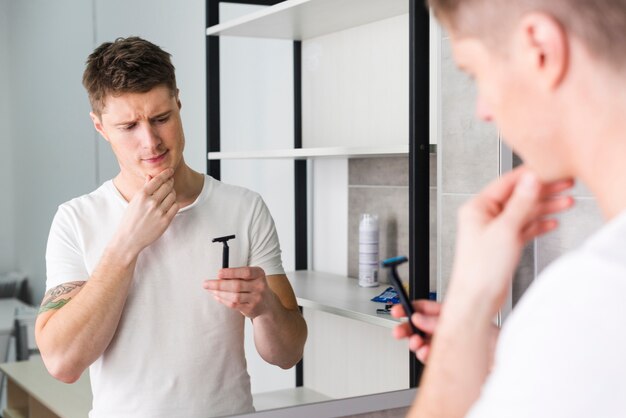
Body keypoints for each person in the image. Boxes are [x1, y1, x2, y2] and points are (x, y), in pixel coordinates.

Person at [34, 36, 307, 418]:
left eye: (162, 118)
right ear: (100, 127)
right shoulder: (76, 219)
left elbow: (289, 354)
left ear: (178, 103)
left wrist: (265, 310)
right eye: (128, 126)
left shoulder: (244, 207)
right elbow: (62, 363)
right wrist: (126, 246)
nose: (151, 141)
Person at [393, 1, 626, 417]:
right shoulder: (586, 323)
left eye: (474, 73)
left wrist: (467, 305)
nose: (483, 110)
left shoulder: (593, 297)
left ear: (540, 49)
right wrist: (522, 355)